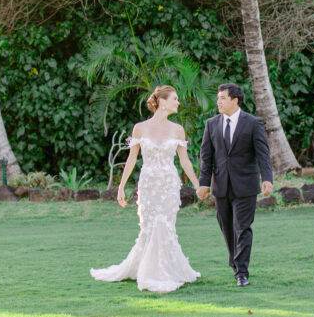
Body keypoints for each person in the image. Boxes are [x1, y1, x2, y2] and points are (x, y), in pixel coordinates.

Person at [90, 85, 201, 293]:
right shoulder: (140, 128)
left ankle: (166, 270)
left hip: (168, 184)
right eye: (175, 99)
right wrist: (121, 187)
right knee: (149, 226)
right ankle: (148, 270)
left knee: (166, 225)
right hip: (148, 184)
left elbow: (185, 162)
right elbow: (131, 159)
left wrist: (197, 185)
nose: (178, 102)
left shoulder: (177, 130)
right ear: (162, 101)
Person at [196, 83, 273, 287]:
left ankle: (242, 272)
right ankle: (235, 262)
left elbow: (262, 154)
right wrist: (204, 183)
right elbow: (206, 158)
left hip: (246, 185)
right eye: (218, 98)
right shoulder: (211, 124)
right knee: (227, 228)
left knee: (243, 227)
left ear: (235, 100)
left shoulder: (253, 123)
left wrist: (267, 178)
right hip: (221, 186)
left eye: (222, 98)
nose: (218, 101)